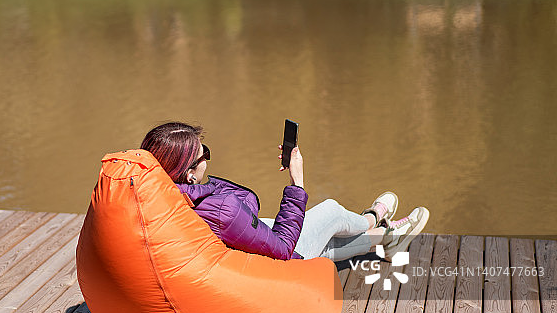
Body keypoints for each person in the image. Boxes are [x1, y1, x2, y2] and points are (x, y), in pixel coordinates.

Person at [140, 121, 429, 262]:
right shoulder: (219, 212)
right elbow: (282, 248)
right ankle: (373, 218)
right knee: (329, 212)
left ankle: (388, 240)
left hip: (238, 245)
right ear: (189, 173)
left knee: (326, 246)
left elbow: (234, 204)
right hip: (275, 261)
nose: (208, 161)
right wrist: (297, 182)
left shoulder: (163, 193)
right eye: (206, 156)